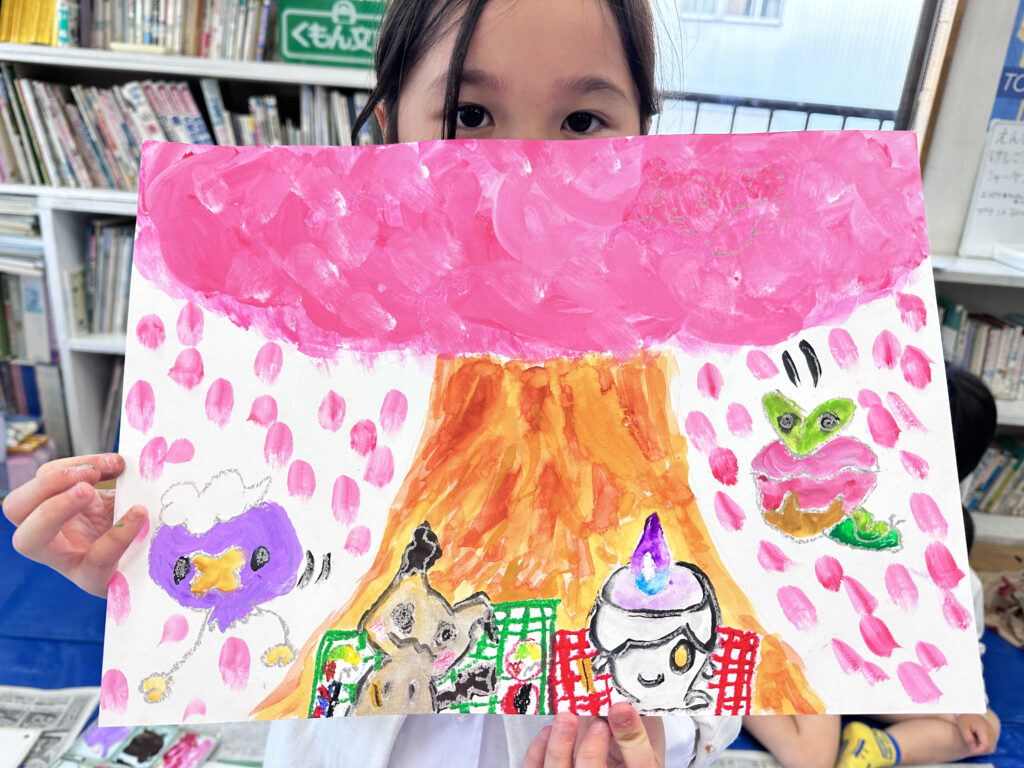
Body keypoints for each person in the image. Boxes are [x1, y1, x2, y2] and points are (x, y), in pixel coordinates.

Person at [2, 0, 743, 766]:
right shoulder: (307, 345)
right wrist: (143, 567)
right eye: (470, 114)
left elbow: (723, 648)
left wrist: (665, 739)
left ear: (644, 141)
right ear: (388, 131)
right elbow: (255, 581)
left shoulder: (672, 380)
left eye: (582, 122)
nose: (521, 173)